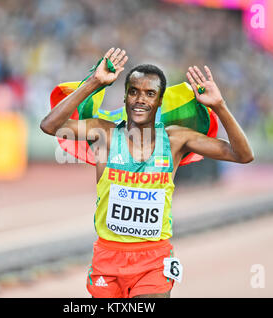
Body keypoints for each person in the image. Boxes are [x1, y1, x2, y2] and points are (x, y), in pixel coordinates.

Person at [40, 47, 254, 298]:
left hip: (153, 261)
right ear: (125, 97)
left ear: (160, 101)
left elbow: (243, 155)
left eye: (150, 93)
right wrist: (94, 82)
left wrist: (220, 106)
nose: (141, 99)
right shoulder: (104, 135)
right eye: (134, 92)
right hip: (108, 258)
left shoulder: (175, 140)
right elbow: (49, 125)